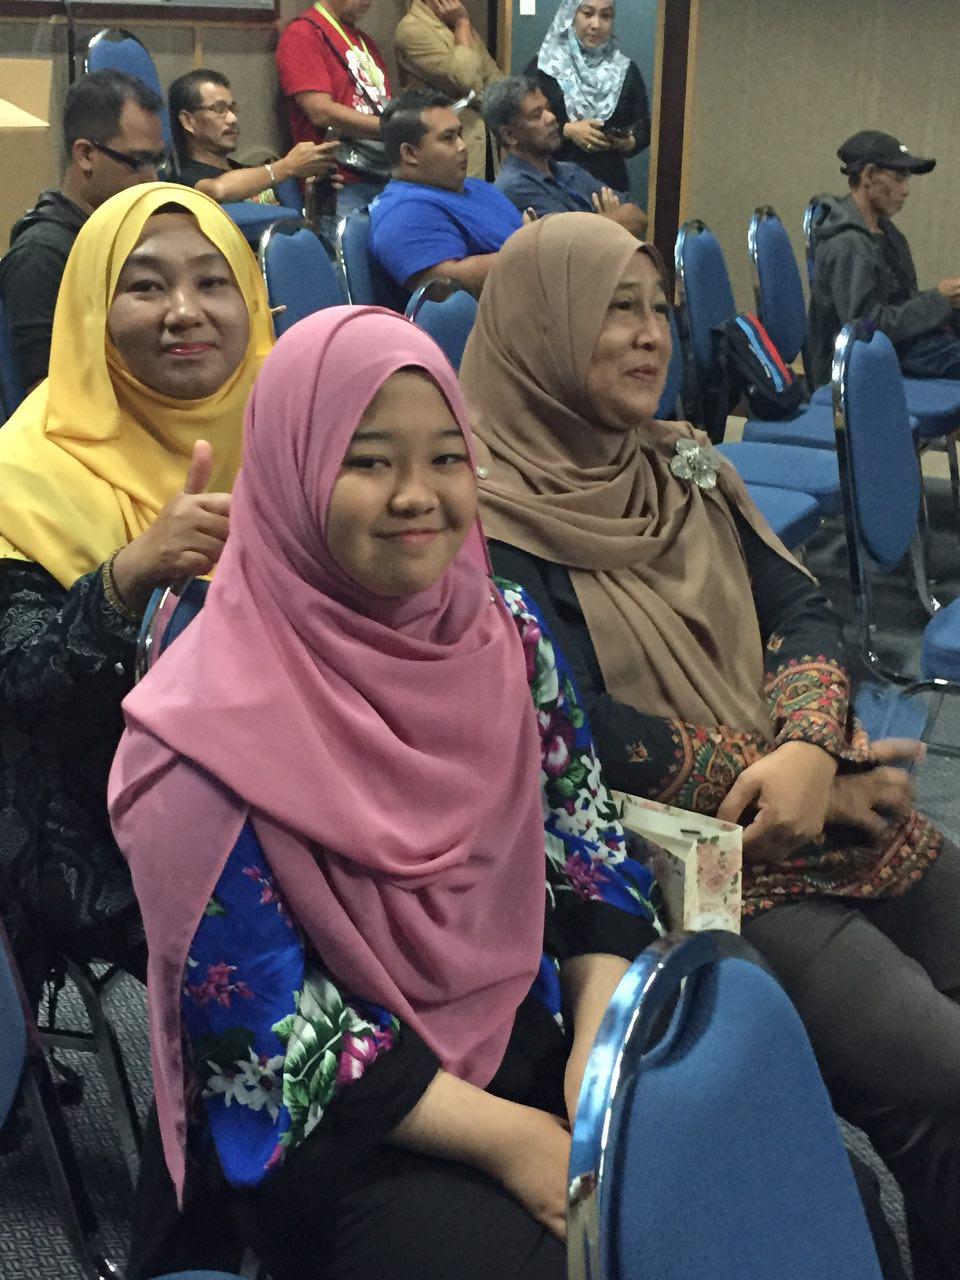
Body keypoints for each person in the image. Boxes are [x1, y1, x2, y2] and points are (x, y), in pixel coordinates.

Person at [108, 305, 659, 1280]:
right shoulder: (198, 738)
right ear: (291, 471)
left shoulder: (503, 631)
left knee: (753, 1197)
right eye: (368, 462)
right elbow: (273, 1033)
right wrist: (515, 1141)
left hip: (526, 1029)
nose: (417, 496)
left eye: (447, 457)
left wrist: (599, 1046)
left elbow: (587, 843)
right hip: (343, 1128)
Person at [460, 210, 960, 1280]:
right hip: (675, 869)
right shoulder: (481, 525)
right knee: (939, 1066)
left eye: (659, 308)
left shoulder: (678, 466)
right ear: (542, 330)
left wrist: (813, 747)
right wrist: (797, 782)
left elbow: (800, 608)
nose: (651, 335)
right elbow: (577, 727)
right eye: (615, 311)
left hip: (811, 795)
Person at [0, 183, 273, 1005]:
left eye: (213, 282)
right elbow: (18, 681)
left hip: (304, 807)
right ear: (92, 309)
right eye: (147, 286)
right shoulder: (27, 471)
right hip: (115, 843)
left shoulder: (294, 437)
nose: (184, 312)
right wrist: (128, 577)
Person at [0, 70, 165, 394]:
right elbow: (46, 393)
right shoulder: (41, 255)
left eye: (157, 161)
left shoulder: (125, 235)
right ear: (86, 155)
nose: (153, 178)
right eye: (139, 161)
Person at [807, 130, 960, 387]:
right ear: (868, 176)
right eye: (899, 178)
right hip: (853, 369)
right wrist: (938, 301)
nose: (906, 190)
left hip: (896, 349)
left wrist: (948, 303)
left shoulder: (886, 233)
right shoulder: (848, 244)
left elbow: (898, 304)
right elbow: (865, 331)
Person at [369, 90, 524, 295]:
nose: (462, 146)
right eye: (448, 138)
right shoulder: (402, 214)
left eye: (459, 134)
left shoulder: (476, 187)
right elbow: (446, 292)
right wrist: (537, 247)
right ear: (410, 153)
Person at [483, 76, 646, 233]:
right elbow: (570, 242)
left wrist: (602, 224)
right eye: (536, 115)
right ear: (509, 135)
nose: (551, 117)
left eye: (548, 109)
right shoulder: (514, 188)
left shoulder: (569, 171)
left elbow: (639, 216)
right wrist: (610, 221)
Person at [276, 0, 393, 217]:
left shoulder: (364, 41)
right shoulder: (303, 33)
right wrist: (392, 128)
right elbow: (320, 112)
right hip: (338, 182)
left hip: (382, 172)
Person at [526, 0, 650, 196]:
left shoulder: (625, 70)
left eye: (605, 16)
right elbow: (522, 123)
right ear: (571, 15)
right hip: (553, 186)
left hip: (609, 187)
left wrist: (627, 142)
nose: (596, 24)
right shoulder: (545, 66)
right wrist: (567, 130)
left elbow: (644, 127)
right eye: (587, 13)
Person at [168, 67, 340, 207]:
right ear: (188, 120)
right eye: (219, 109)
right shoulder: (183, 179)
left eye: (232, 109)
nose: (233, 119)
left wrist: (314, 198)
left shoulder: (246, 172)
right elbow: (216, 191)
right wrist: (288, 166)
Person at [394, 0, 503, 180]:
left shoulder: (454, 24)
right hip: (443, 155)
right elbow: (466, 79)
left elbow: (496, 80)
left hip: (482, 143)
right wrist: (462, 23)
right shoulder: (411, 29)